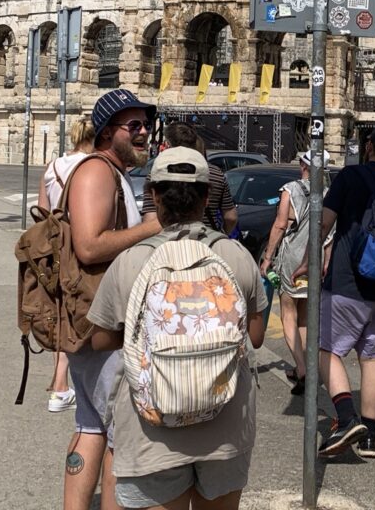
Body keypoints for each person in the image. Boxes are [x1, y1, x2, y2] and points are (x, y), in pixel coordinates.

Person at [88, 147, 267, 510]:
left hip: (152, 426)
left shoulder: (131, 260)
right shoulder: (236, 256)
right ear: (205, 197)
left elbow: (101, 339)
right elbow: (257, 336)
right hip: (225, 422)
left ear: (153, 196)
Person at [296, 122, 375, 459]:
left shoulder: (349, 178)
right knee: (372, 357)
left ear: (369, 147)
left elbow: (323, 222)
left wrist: (311, 260)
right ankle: (370, 436)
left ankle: (346, 417)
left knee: (326, 350)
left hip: (347, 285)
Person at [62, 89, 163, 510]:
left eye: (146, 125)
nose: (143, 134)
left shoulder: (114, 172)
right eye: (133, 126)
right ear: (107, 132)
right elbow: (88, 246)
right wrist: (154, 228)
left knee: (92, 426)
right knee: (121, 434)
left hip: (97, 322)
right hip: (102, 323)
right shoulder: (96, 172)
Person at [35, 117, 96, 415]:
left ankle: (58, 385)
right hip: (81, 247)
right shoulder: (94, 167)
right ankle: (64, 386)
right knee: (79, 314)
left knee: (60, 312)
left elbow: (42, 211)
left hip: (54, 247)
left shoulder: (53, 165)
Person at [258, 149, 328, 396]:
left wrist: (267, 258)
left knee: (288, 313)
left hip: (291, 259)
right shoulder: (328, 193)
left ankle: (302, 370)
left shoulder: (291, 189)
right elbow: (329, 234)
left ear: (303, 165)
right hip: (315, 260)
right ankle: (307, 365)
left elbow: (279, 224)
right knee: (305, 316)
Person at [156, 122, 238, 236]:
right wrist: (220, 235)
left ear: (169, 144)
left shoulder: (159, 173)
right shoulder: (216, 173)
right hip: (207, 241)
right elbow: (231, 217)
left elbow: (150, 220)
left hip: (166, 244)